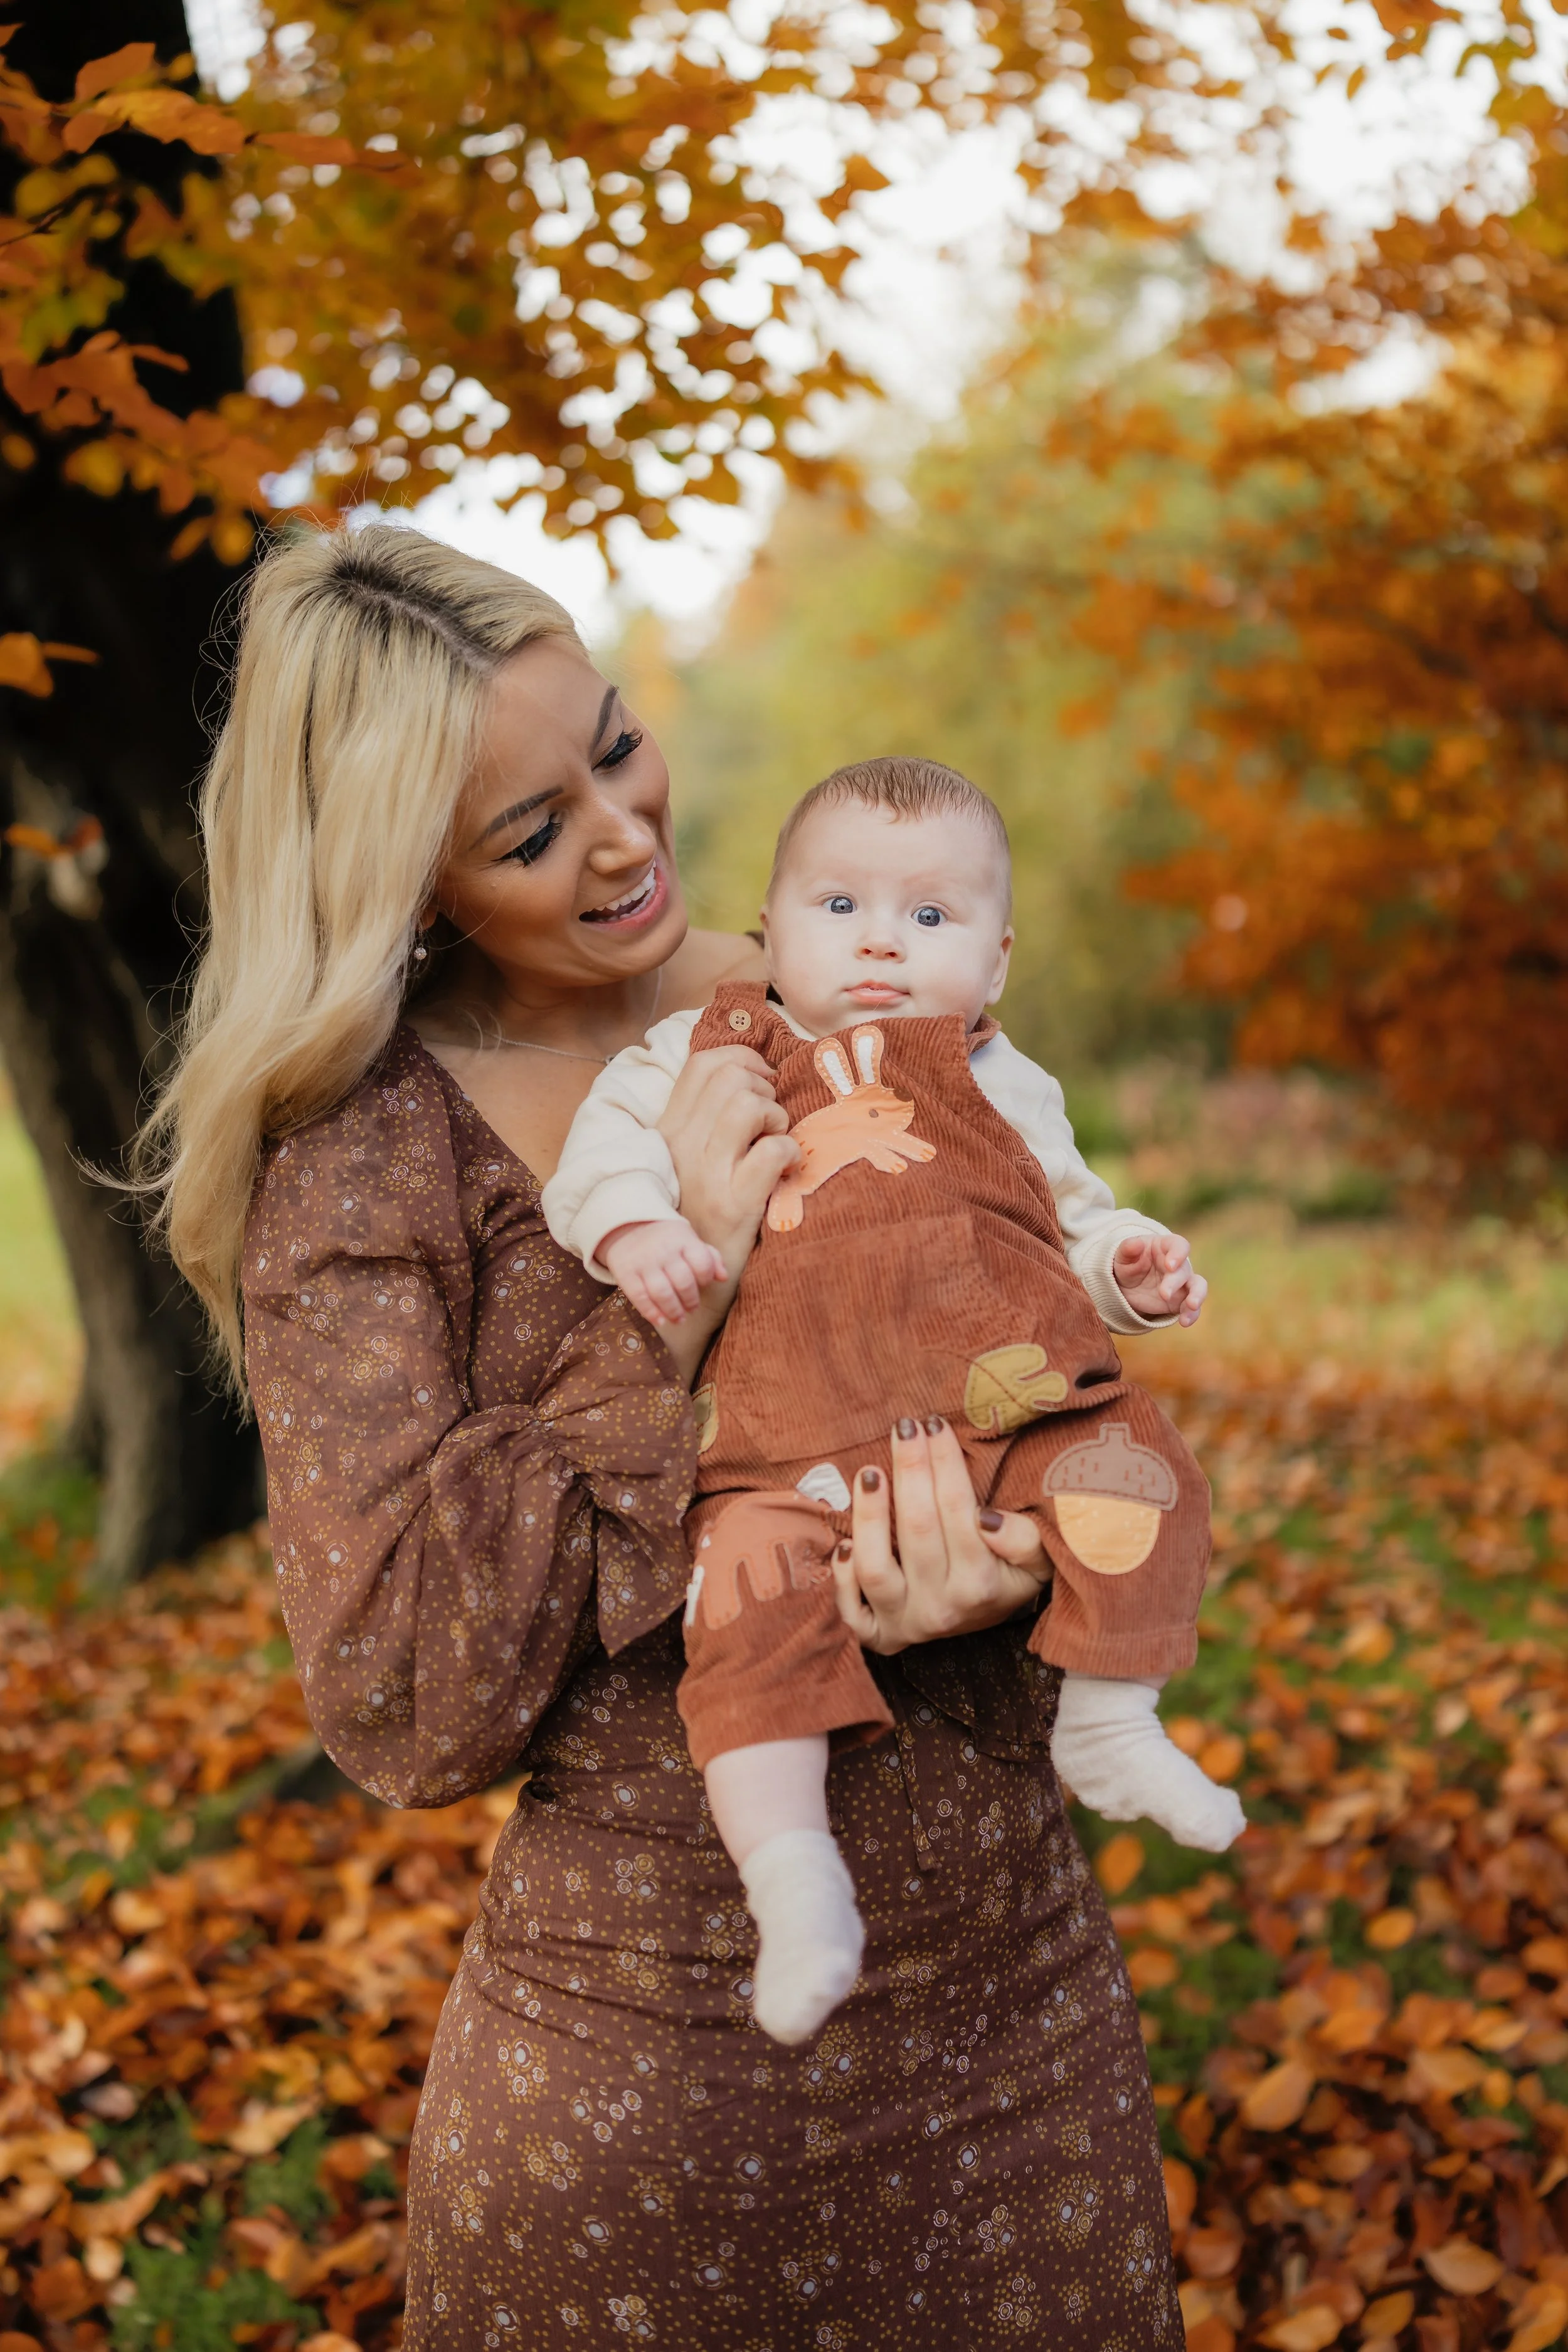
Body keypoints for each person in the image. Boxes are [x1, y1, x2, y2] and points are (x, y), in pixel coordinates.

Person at [142, 522, 1185, 2349]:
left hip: (1017, 2034)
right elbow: (401, 1695)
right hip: (640, 2087)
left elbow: (1046, 1344)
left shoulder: (853, 982)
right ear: (406, 879)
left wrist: (1005, 1565)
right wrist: (659, 1315)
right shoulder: (369, 1162)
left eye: (612, 747)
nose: (621, 835)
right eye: (528, 833)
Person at [541, 756, 1242, 2044]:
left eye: (930, 917)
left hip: (1003, 1406)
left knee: (1131, 1465)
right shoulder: (710, 1046)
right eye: (839, 906)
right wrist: (634, 1227)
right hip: (783, 1440)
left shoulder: (1003, 1080)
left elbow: (1064, 1222)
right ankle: (792, 1880)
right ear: (767, 924)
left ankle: (1108, 1714)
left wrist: (1127, 1267)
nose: (880, 941)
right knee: (745, 1612)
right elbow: (606, 1149)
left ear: (996, 959)